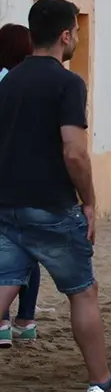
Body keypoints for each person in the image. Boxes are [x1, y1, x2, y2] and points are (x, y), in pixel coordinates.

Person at [0, 0, 111, 392]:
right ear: (66, 35)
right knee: (83, 291)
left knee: (4, 286)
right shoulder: (67, 83)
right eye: (77, 33)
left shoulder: (8, 81)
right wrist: (89, 201)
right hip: (51, 206)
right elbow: (75, 152)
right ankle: (101, 383)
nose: (78, 39)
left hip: (8, 204)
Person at [0, 22, 39, 348]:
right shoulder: (31, 82)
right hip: (29, 179)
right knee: (31, 250)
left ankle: (3, 321)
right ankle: (26, 319)